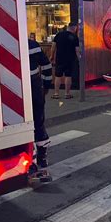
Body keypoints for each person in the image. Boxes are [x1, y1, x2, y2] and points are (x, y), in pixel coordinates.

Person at [29, 39, 52, 168]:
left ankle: (30, 159)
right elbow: (47, 65)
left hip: (13, 89)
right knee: (38, 121)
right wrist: (46, 85)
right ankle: (42, 157)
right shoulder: (32, 45)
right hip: (34, 87)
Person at [50, 23, 80, 99]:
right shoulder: (74, 37)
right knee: (68, 76)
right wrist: (79, 59)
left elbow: (53, 47)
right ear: (74, 28)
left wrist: (51, 56)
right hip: (70, 59)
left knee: (57, 76)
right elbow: (77, 50)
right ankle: (67, 94)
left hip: (59, 58)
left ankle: (56, 93)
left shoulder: (59, 35)